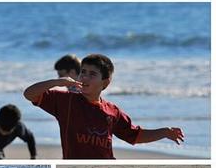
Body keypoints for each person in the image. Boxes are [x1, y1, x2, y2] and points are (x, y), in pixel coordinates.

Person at [23, 54, 184, 159]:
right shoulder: (66, 101)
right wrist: (57, 82)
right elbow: (29, 94)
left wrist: (163, 132)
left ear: (105, 82)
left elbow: (135, 136)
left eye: (92, 74)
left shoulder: (112, 111)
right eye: (83, 72)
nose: (85, 77)